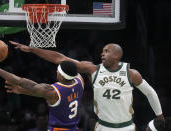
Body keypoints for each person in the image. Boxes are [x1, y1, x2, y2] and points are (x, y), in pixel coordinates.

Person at [9, 41, 164, 131]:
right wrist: (31, 49)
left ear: (117, 55)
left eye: (107, 51)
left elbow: (150, 93)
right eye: (102, 51)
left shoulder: (131, 73)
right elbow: (60, 58)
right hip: (102, 126)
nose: (102, 53)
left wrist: (160, 115)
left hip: (127, 127)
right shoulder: (92, 70)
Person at [0, 51, 84, 131]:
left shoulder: (53, 91)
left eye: (58, 70)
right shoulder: (80, 82)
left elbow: (20, 81)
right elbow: (39, 92)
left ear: (61, 75)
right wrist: (22, 91)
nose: (56, 71)